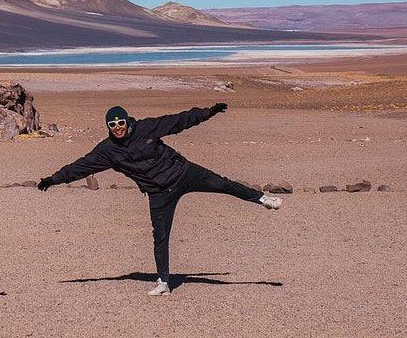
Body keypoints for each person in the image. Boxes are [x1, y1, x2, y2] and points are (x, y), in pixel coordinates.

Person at [36, 103, 281, 296]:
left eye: (120, 122)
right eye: (112, 124)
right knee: (160, 237)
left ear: (127, 121)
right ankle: (163, 282)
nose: (118, 127)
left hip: (183, 173)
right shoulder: (107, 151)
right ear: (108, 127)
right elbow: (80, 166)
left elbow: (178, 121)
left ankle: (263, 199)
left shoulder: (146, 128)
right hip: (159, 193)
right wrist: (53, 179)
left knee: (223, 184)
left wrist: (209, 112)